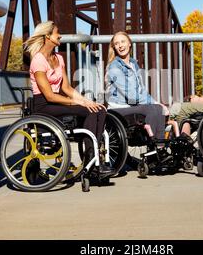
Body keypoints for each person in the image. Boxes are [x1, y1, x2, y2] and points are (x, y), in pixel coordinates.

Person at [26, 21, 113, 174]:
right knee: (88, 111)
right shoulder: (38, 61)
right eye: (56, 33)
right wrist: (76, 103)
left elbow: (66, 88)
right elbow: (49, 96)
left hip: (56, 100)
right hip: (43, 105)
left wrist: (85, 100)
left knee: (99, 109)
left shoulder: (58, 57)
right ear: (47, 36)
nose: (60, 36)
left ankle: (93, 156)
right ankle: (91, 158)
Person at [105, 31, 168, 140]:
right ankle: (152, 144)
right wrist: (154, 103)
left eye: (123, 41)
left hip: (132, 106)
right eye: (116, 43)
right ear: (114, 48)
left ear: (129, 43)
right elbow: (132, 96)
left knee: (158, 108)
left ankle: (160, 145)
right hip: (118, 108)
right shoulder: (114, 67)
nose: (120, 46)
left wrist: (156, 103)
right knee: (152, 109)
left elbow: (141, 90)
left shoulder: (133, 63)